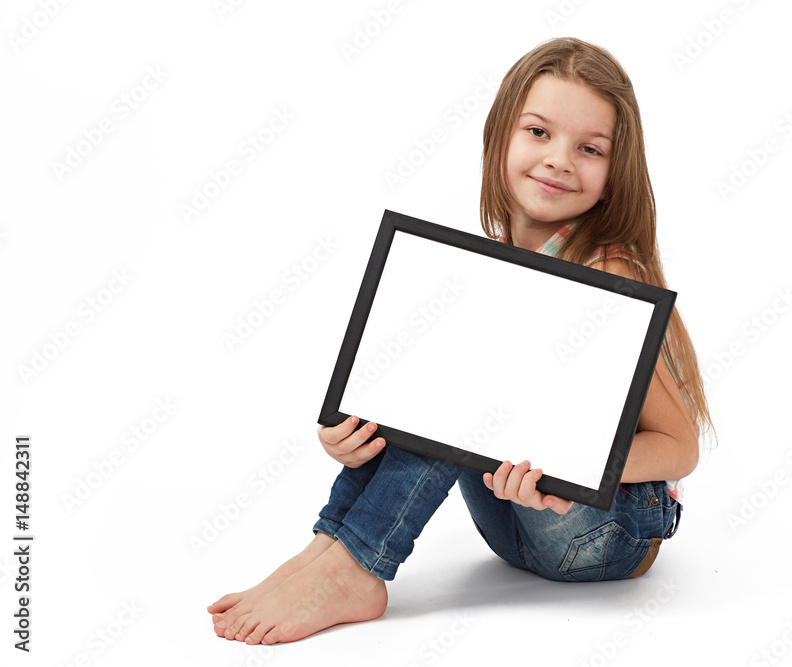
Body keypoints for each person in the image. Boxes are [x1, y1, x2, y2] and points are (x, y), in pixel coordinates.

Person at [208, 36, 717, 646]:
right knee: (443, 380)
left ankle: (355, 566)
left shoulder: (610, 271)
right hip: (511, 522)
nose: (559, 160)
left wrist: (569, 465)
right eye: (538, 132)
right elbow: (422, 404)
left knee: (464, 384)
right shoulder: (490, 266)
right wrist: (356, 434)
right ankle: (328, 549)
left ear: (614, 175)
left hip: (606, 532)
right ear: (499, 138)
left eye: (589, 148)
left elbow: (681, 447)